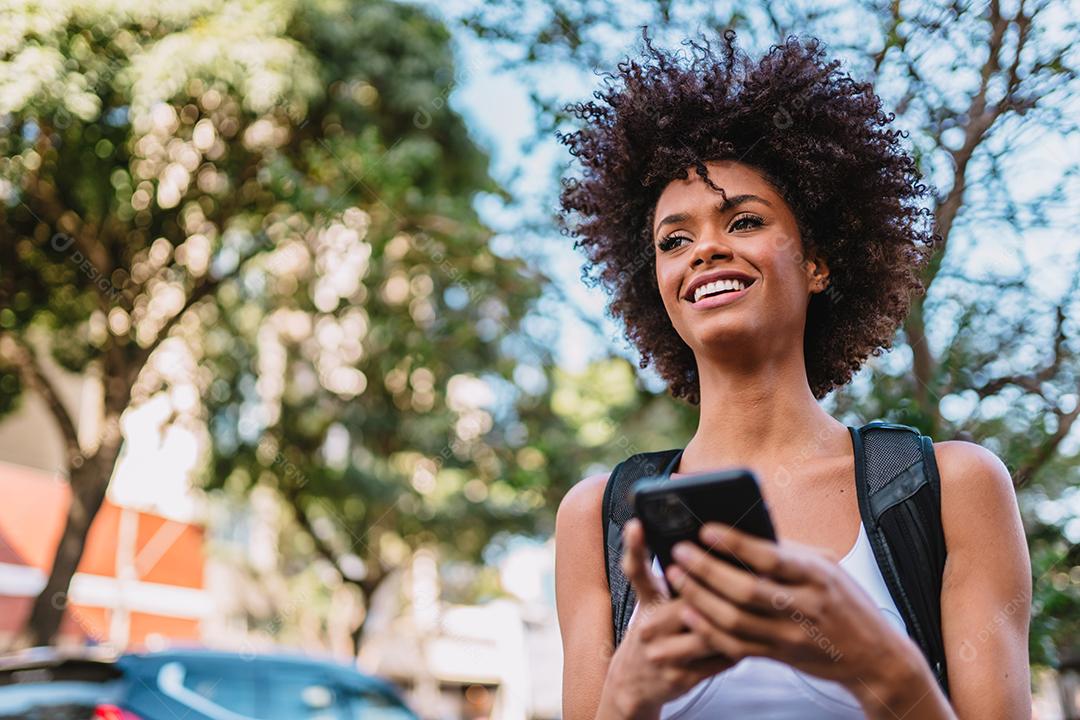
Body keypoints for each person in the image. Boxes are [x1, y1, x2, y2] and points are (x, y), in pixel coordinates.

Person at [553, 29, 1032, 720]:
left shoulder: (947, 490)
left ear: (818, 263)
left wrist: (883, 671)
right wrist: (628, 700)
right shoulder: (600, 518)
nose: (706, 249)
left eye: (744, 221)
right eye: (674, 240)